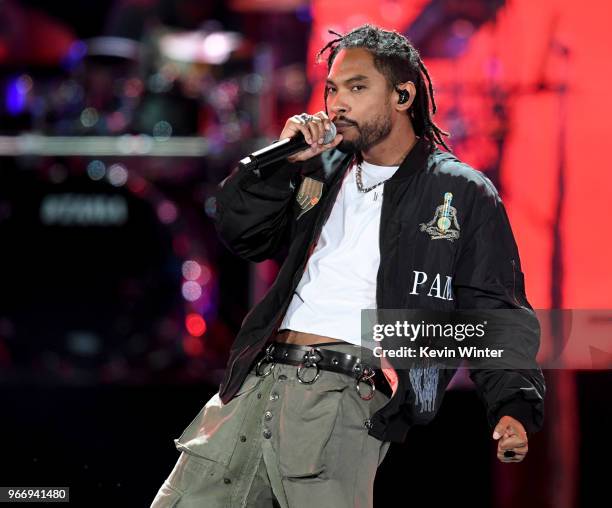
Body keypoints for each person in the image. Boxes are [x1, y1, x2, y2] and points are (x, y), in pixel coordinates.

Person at [151, 24, 546, 508]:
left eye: (357, 88)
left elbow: (495, 309)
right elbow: (243, 235)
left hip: (342, 395)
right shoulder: (320, 168)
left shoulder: (459, 191)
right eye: (333, 88)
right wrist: (282, 164)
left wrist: (513, 406)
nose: (337, 103)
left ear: (403, 95)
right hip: (253, 387)